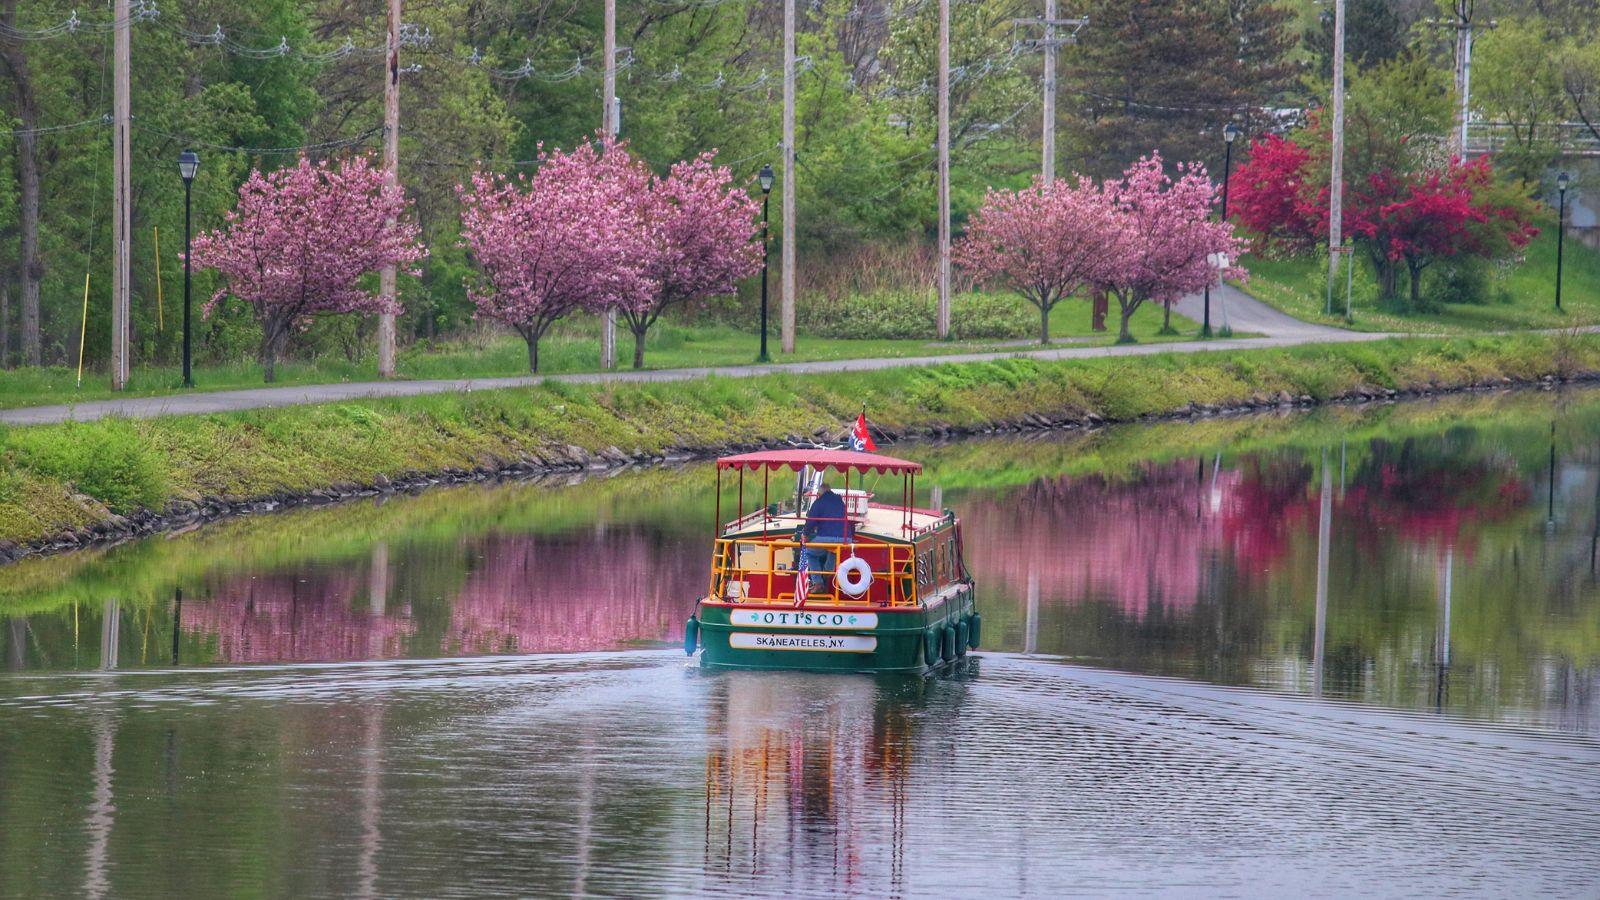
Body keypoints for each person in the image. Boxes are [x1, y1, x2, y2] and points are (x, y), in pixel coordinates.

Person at [801, 483, 849, 595]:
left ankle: (818, 583)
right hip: (846, 538)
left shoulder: (819, 502)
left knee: (810, 552)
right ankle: (828, 571)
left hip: (827, 537)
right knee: (833, 549)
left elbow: (811, 521)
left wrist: (805, 534)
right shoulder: (840, 502)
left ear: (819, 494)